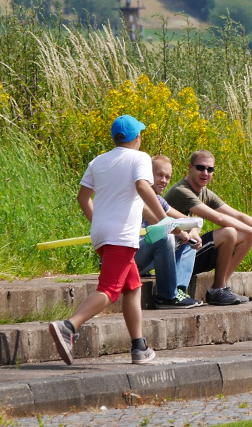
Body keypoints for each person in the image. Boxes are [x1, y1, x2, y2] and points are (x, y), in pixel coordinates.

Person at [48, 115, 165, 365]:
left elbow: (83, 197)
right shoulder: (140, 158)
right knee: (110, 290)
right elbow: (144, 188)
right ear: (137, 137)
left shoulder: (98, 161)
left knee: (132, 287)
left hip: (102, 234)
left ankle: (139, 347)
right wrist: (166, 219)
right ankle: (69, 326)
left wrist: (99, 224)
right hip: (121, 237)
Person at [164, 149, 252, 306]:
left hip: (190, 248)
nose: (206, 172)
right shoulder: (182, 191)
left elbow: (237, 215)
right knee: (229, 233)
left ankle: (220, 288)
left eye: (210, 169)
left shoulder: (204, 192)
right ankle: (218, 289)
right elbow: (219, 218)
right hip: (175, 254)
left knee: (247, 237)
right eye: (200, 168)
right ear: (190, 167)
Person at [135, 155, 203, 309]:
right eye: (159, 175)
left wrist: (193, 232)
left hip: (145, 254)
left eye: (167, 177)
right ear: (147, 174)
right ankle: (167, 297)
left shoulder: (159, 200)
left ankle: (178, 290)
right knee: (167, 237)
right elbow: (159, 222)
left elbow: (188, 220)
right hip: (130, 256)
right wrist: (179, 232)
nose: (164, 180)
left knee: (189, 241)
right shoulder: (138, 194)